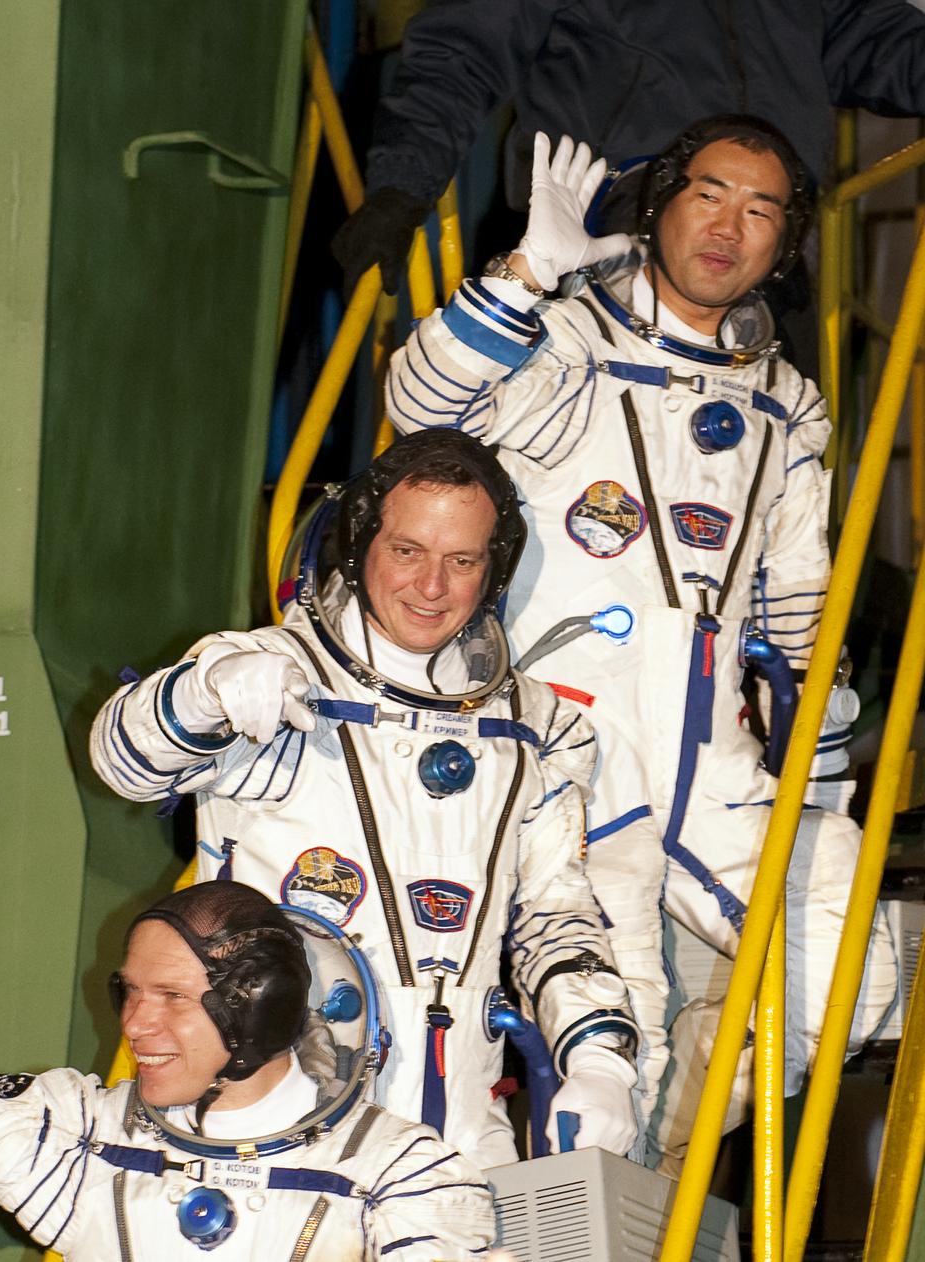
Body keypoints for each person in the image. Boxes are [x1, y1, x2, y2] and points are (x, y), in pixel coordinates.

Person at [384, 115, 898, 1168]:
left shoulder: (786, 408)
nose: (729, 226)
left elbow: (795, 606)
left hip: (709, 752)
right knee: (614, 1027)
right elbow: (416, 407)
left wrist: (821, 731)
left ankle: (674, 1145)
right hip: (567, 740)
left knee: (862, 960)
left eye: (760, 210)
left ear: (783, 243)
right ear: (660, 205)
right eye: (708, 193)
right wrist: (526, 274)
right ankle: (589, 1205)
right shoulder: (570, 342)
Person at [92, 427, 642, 1175]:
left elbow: (555, 915)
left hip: (457, 1133)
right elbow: (125, 763)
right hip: (273, 1122)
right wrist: (201, 694)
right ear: (360, 545)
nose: (431, 587)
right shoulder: (271, 673)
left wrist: (601, 1056)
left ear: (494, 570)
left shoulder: (537, 730)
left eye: (463, 561)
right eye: (408, 551)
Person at [0, 772, 504, 1261]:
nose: (135, 1027)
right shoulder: (84, 1136)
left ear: (258, 1008)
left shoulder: (401, 1176)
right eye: (129, 994)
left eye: (173, 998)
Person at [333, 0, 925, 300]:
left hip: (769, 249)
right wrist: (400, 188)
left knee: (762, 485)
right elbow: (462, 55)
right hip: (603, 239)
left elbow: (869, 44)